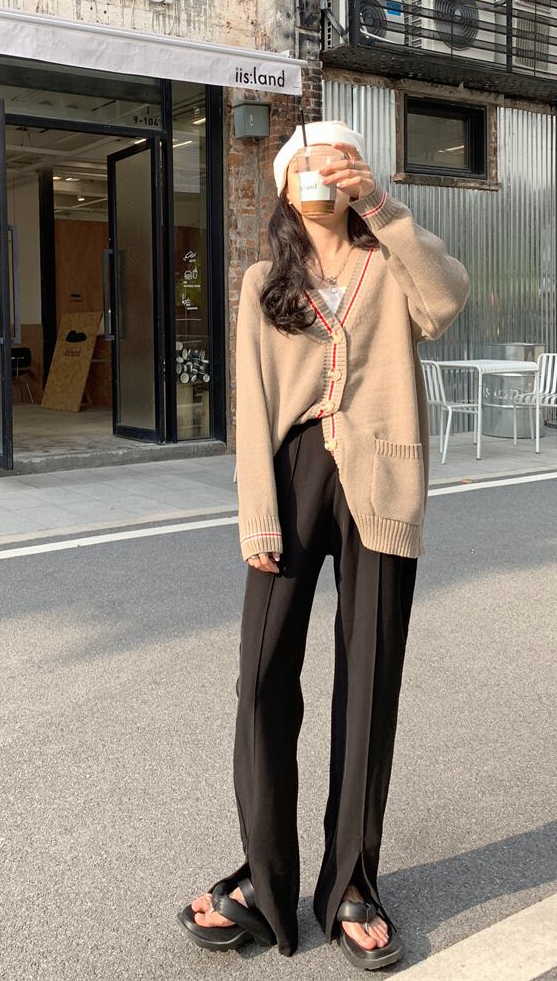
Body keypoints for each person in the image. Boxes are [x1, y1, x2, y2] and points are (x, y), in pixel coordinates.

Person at [176, 119, 470, 970]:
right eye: (306, 162)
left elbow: (447, 300)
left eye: (337, 161)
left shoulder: (392, 259)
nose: (321, 174)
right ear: (283, 183)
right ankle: (262, 884)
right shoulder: (263, 280)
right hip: (293, 473)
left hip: (383, 476)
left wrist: (382, 204)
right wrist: (256, 516)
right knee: (263, 680)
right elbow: (253, 403)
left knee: (369, 684)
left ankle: (350, 885)